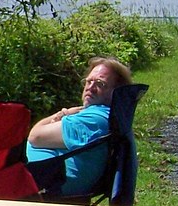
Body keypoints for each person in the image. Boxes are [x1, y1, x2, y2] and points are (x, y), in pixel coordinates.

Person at [25, 57, 133, 196]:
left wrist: (62, 114)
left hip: (46, 184)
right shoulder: (101, 115)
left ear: (116, 92)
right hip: (42, 177)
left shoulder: (95, 120)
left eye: (100, 83)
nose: (90, 87)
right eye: (88, 81)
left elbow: (35, 136)